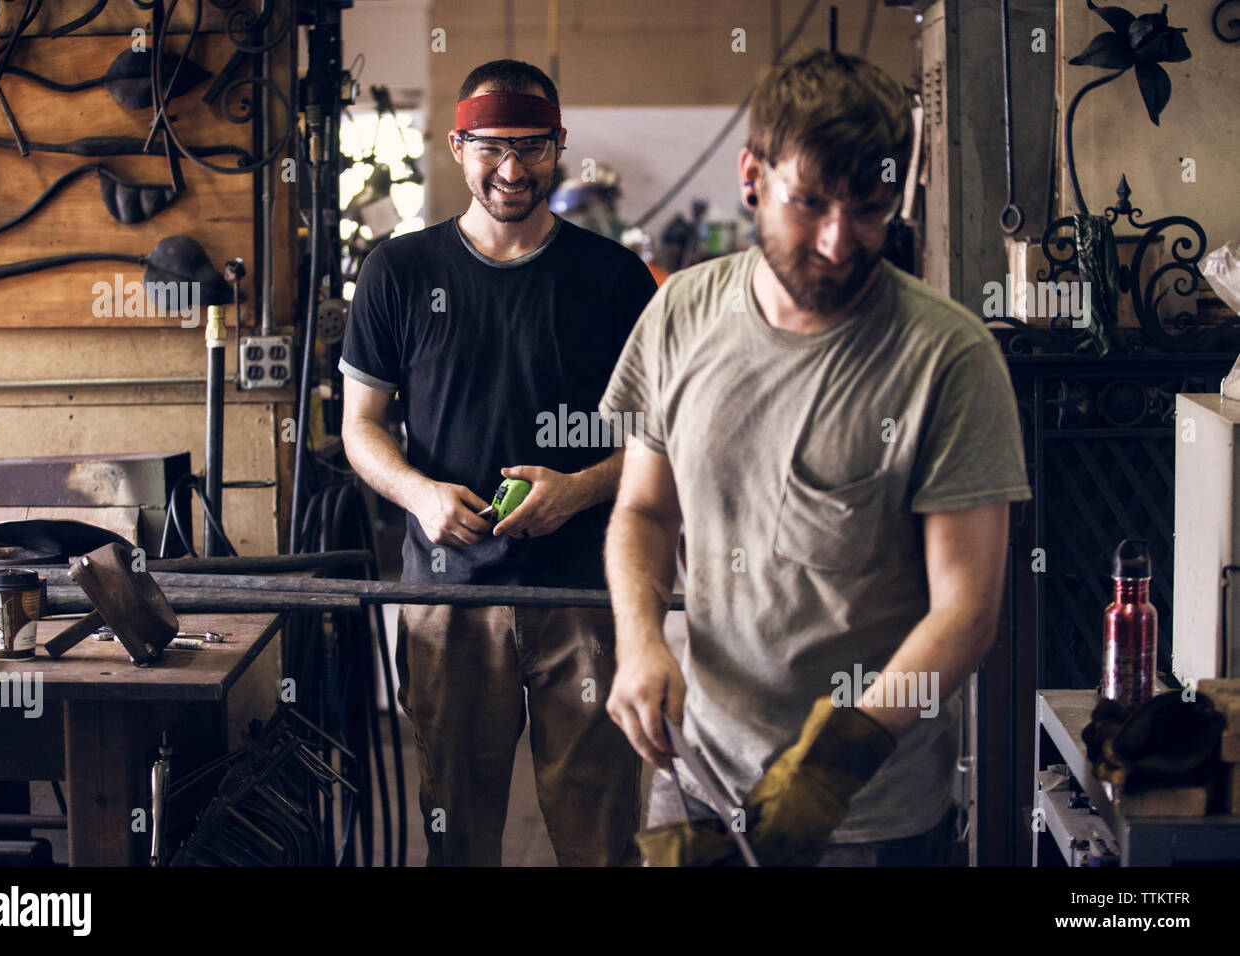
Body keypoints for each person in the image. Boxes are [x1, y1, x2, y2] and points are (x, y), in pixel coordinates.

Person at [600, 51, 1032, 866]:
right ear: (752, 177)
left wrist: (835, 763)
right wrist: (641, 640)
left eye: (869, 210)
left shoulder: (947, 358)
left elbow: (966, 611)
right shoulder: (680, 316)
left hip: (867, 814)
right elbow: (645, 509)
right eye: (810, 204)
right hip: (696, 776)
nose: (839, 243)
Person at [340, 59, 657, 866]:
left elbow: (667, 437)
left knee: (601, 835)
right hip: (449, 595)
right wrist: (418, 495)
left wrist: (580, 490)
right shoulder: (399, 274)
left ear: (559, 146)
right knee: (458, 832)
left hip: (583, 594)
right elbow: (362, 426)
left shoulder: (613, 277)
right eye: (490, 147)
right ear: (456, 146)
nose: (512, 170)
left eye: (532, 147)